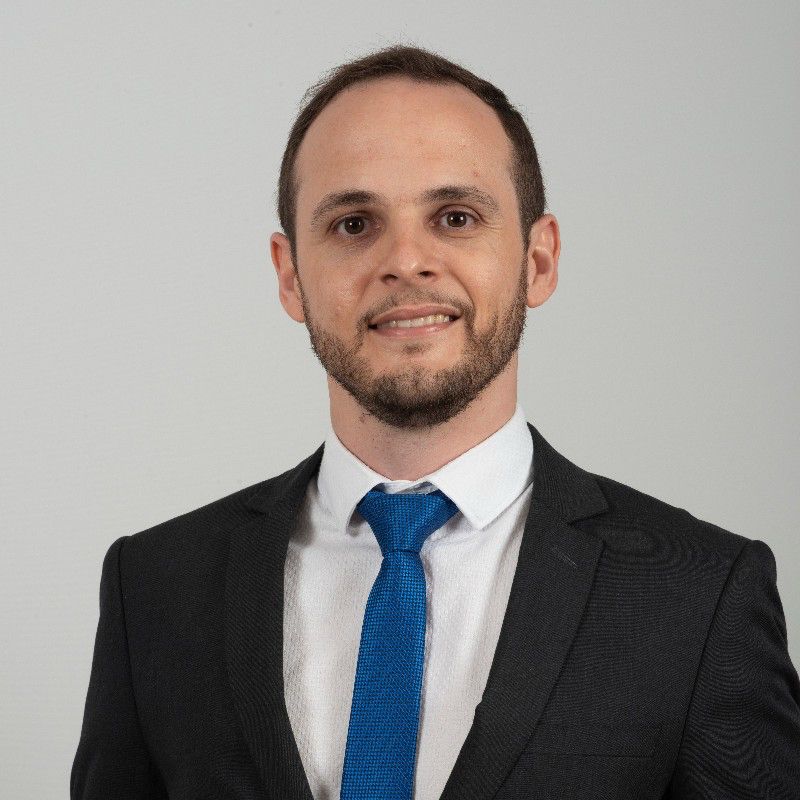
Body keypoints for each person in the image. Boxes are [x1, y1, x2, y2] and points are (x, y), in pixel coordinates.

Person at [71, 45, 800, 800]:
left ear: (538, 261)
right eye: (354, 223)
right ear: (290, 276)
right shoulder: (153, 587)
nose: (406, 260)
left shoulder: (699, 595)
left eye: (456, 218)